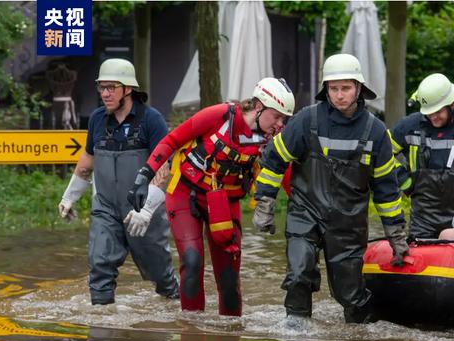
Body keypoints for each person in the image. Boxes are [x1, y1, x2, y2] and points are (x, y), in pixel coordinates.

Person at [251, 53, 410, 324]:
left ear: (359, 88)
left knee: (351, 294)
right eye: (333, 89)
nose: (339, 95)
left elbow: (386, 189)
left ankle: (361, 336)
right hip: (305, 213)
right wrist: (264, 202)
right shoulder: (306, 120)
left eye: (346, 88)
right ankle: (295, 331)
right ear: (326, 89)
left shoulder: (376, 132)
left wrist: (396, 233)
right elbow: (274, 160)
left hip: (348, 223)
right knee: (299, 274)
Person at [127, 77, 295, 315]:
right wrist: (144, 177)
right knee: (192, 263)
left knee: (229, 277)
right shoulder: (220, 116)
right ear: (258, 106)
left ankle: (230, 335)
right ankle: (192, 332)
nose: (280, 124)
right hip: (187, 195)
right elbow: (172, 140)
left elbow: (288, 181)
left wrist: (304, 215)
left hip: (226, 203)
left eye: (284, 119)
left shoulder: (274, 141)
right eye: (277, 116)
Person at [57, 58, 179, 305]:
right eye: (102, 87)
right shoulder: (97, 119)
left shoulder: (151, 120)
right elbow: (88, 157)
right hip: (106, 207)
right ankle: (102, 327)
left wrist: (146, 210)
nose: (105, 93)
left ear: (128, 89)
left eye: (111, 87)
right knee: (99, 264)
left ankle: (175, 305)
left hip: (143, 209)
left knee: (159, 271)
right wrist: (70, 196)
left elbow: (163, 167)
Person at [389, 73, 454, 238]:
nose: (433, 117)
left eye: (438, 111)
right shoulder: (409, 126)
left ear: (451, 104)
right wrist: (404, 181)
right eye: (429, 113)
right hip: (423, 220)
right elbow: (382, 153)